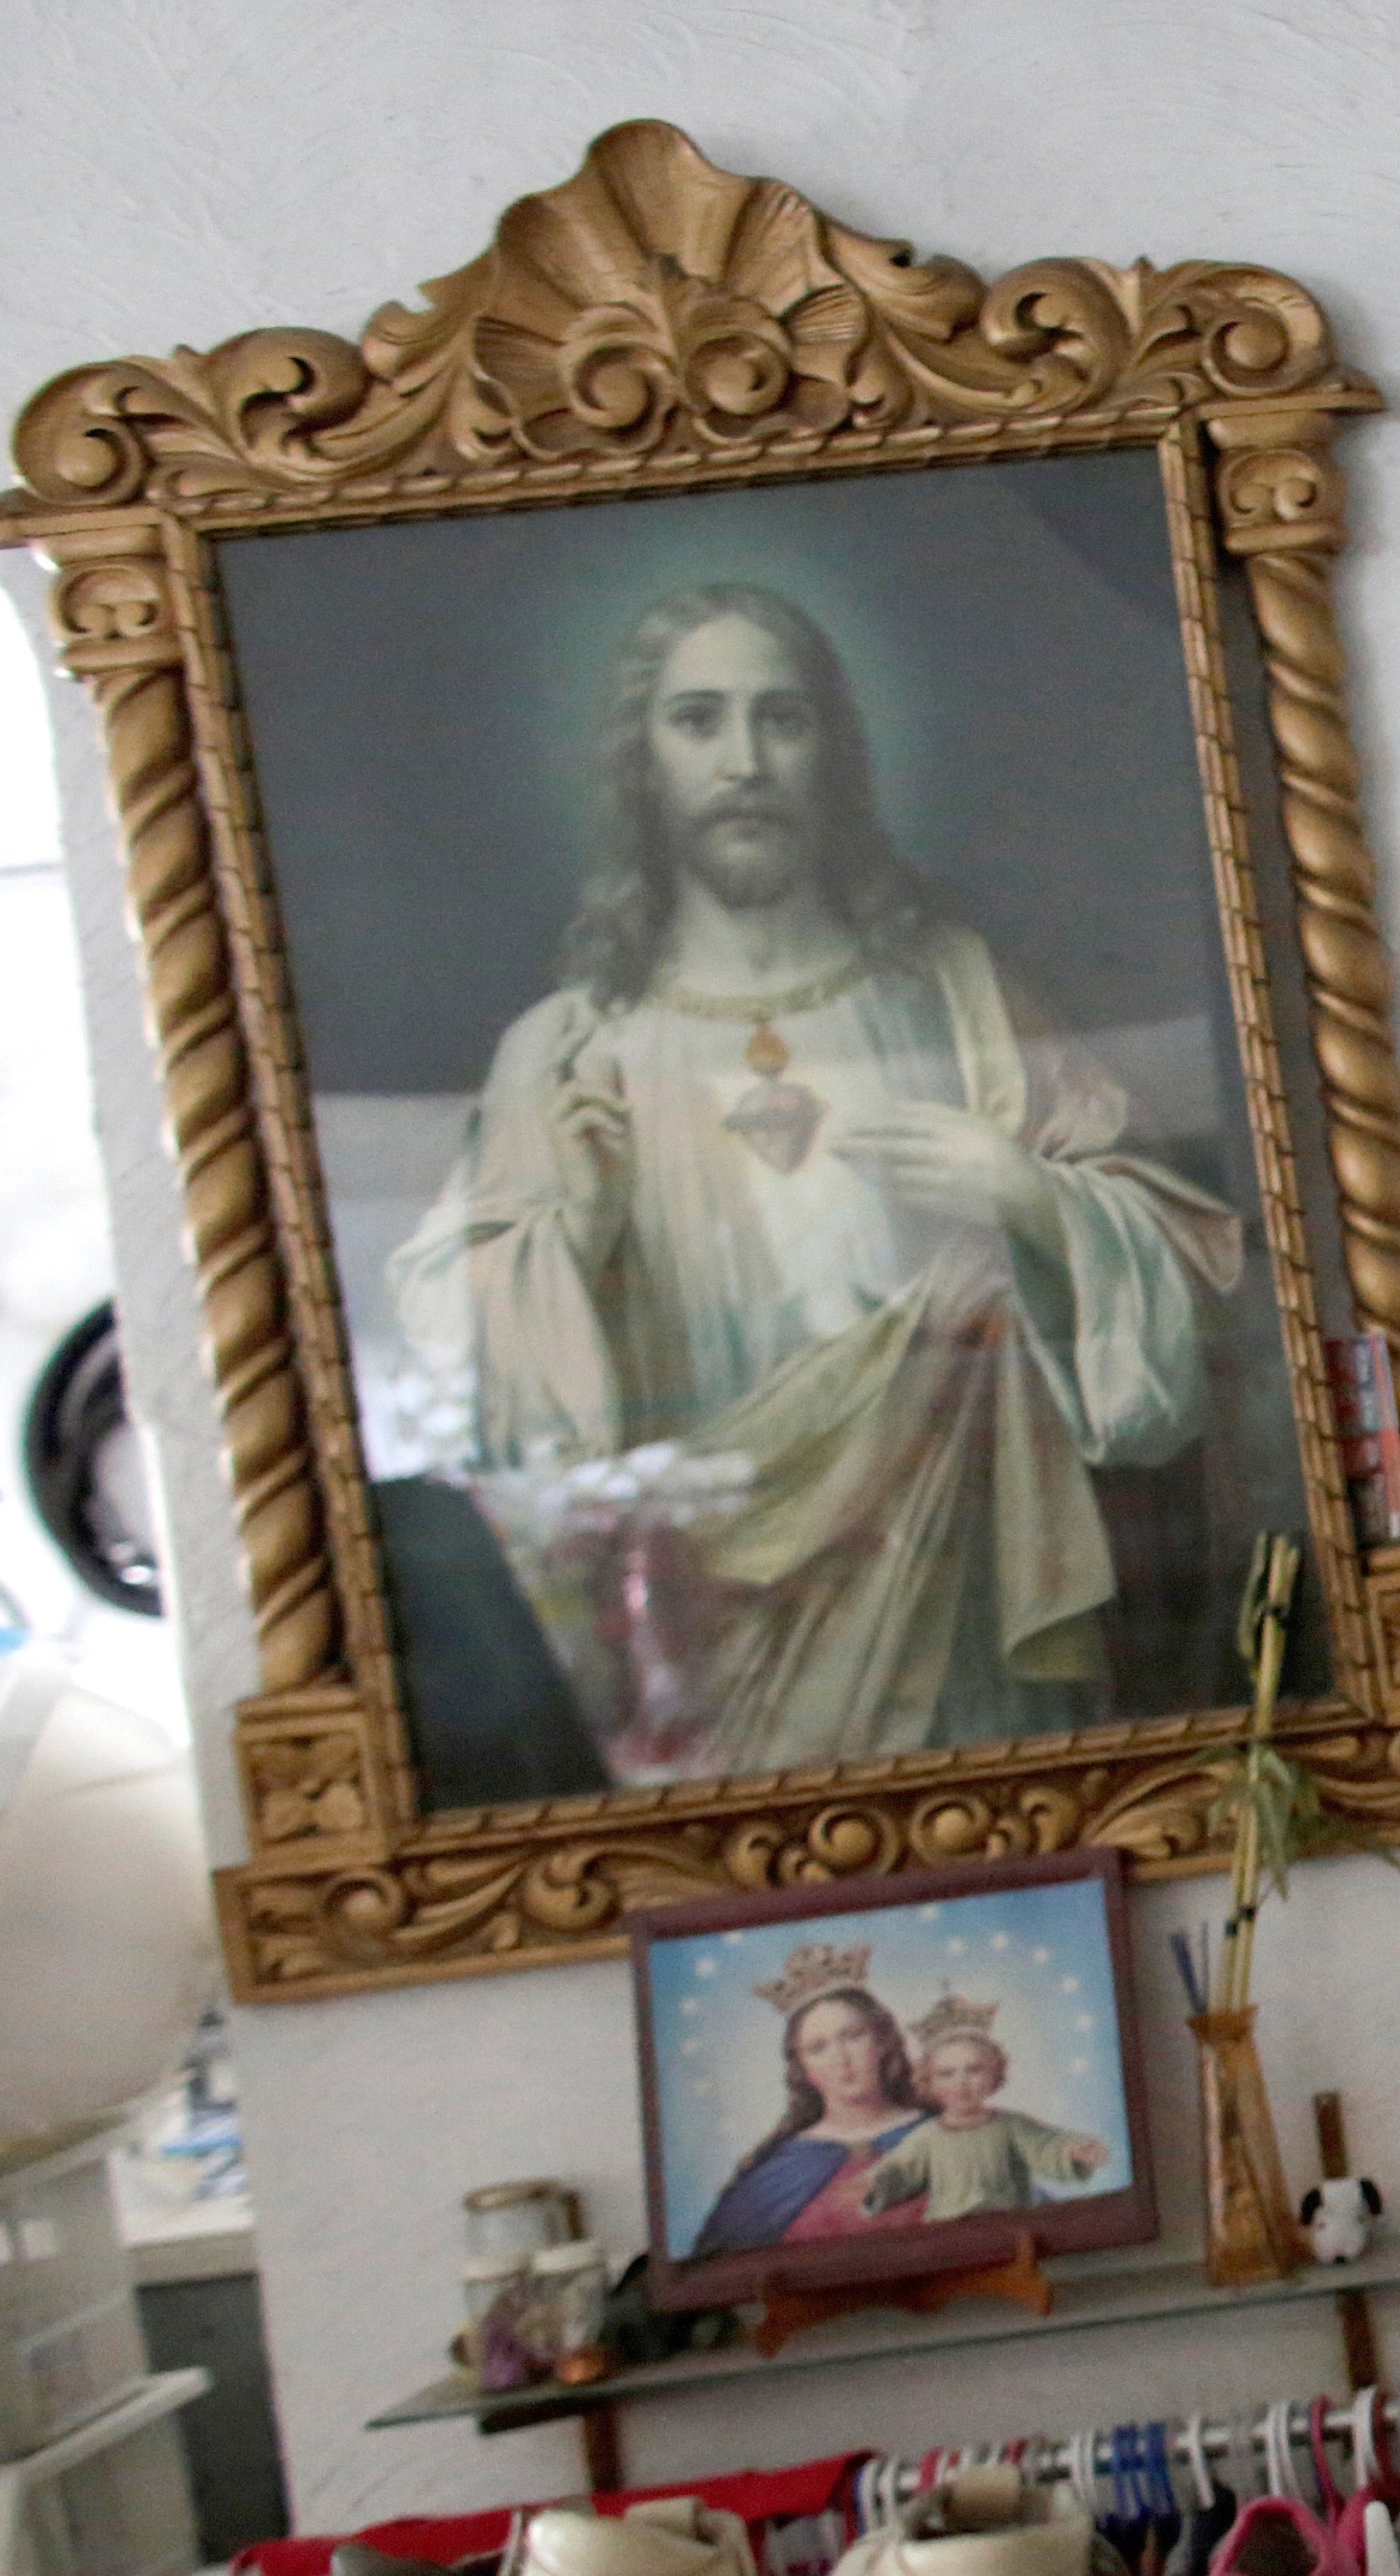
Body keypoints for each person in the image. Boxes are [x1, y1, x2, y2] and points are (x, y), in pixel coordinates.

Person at [389, 582, 1246, 1781]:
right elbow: (466, 1388)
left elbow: (1191, 1272)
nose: (744, 761)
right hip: (716, 1636)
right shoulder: (569, 1050)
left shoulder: (954, 992)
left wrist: (1034, 1197)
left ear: (830, 751)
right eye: (698, 720)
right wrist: (565, 1234)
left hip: (957, 1589)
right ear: (642, 760)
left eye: (780, 719)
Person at [686, 1963, 929, 2262]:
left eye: (853, 2036)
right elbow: (717, 2265)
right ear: (803, 2069)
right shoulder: (780, 2167)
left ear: (882, 2042)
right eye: (817, 2048)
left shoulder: (941, 2133)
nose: (841, 2058)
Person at [857, 1999, 1111, 2223]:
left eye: (974, 2070)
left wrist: (1074, 2152)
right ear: (929, 2081)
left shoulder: (1010, 2125)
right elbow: (901, 2170)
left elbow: (1045, 2147)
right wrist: (873, 2185)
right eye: (946, 2074)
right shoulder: (927, 2137)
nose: (961, 2082)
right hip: (948, 2233)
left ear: (995, 2076)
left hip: (1010, 2226)